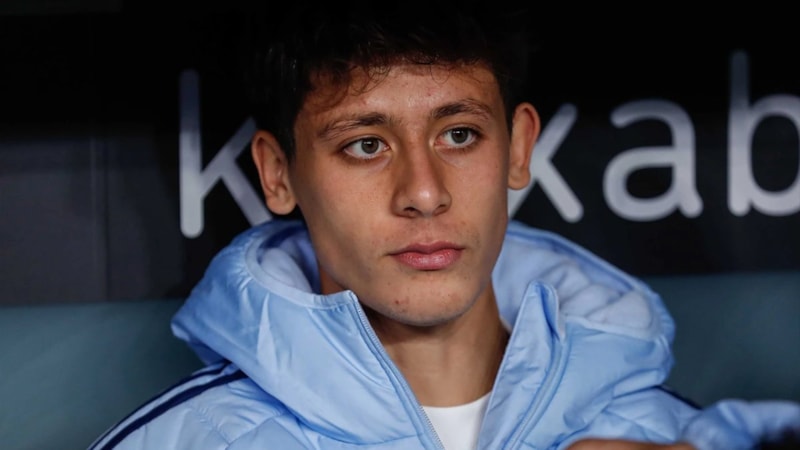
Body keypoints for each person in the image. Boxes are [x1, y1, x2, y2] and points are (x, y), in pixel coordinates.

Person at [89, 1, 800, 449]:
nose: (424, 193)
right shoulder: (178, 440)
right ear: (278, 174)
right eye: (365, 145)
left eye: (459, 135)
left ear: (518, 148)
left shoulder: (673, 438)